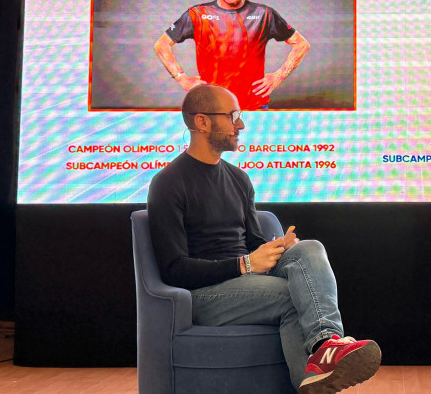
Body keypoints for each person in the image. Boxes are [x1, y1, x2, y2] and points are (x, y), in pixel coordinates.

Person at [146, 84, 380, 393]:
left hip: (248, 284)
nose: (240, 125)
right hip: (203, 294)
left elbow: (254, 243)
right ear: (201, 122)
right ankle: (324, 355)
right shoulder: (167, 184)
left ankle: (325, 346)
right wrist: (244, 265)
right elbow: (174, 270)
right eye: (233, 116)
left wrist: (278, 249)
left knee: (311, 248)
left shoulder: (238, 179)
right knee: (294, 295)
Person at [154, 0, 311, 110]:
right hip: (211, 107)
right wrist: (181, 77)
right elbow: (161, 45)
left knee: (253, 141)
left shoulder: (264, 14)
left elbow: (301, 44)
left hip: (254, 106)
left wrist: (279, 75)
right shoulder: (198, 14)